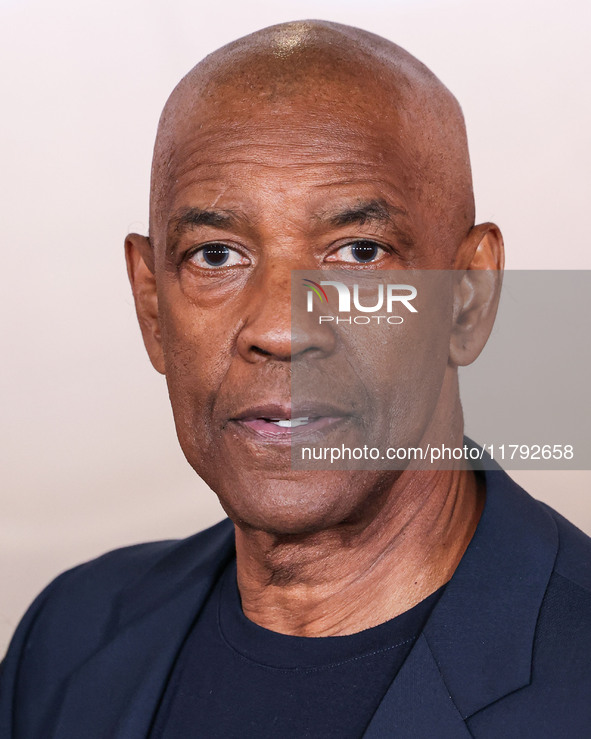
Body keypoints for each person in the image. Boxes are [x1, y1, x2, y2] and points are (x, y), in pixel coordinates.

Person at [1, 19, 590, 738]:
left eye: (358, 251)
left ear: (468, 297)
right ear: (152, 306)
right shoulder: (66, 640)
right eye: (216, 255)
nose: (280, 327)